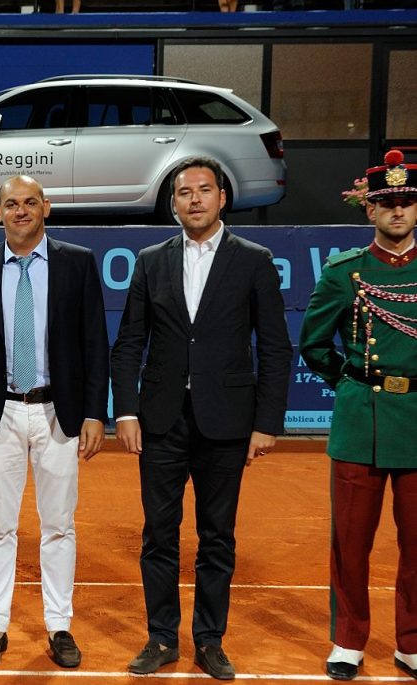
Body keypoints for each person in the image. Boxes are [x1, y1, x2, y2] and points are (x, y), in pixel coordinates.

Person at [110, 156, 293, 681]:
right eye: (184, 192)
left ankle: (210, 639)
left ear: (222, 198)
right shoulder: (150, 260)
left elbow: (275, 348)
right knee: (158, 535)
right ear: (173, 203)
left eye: (204, 190)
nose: (194, 199)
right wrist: (126, 409)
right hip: (162, 420)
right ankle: (162, 637)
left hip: (228, 422)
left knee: (218, 537)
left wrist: (266, 422)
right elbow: (129, 344)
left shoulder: (254, 259)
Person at [0, 175, 109, 669]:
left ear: (47, 208)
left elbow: (94, 343)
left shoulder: (77, 262)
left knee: (59, 525)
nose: (21, 211)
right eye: (11, 204)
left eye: (30, 203)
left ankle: (59, 625)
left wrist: (92, 412)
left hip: (56, 413)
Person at [298, 149, 417, 682]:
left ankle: (411, 643)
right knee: (350, 541)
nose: (397, 211)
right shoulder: (346, 273)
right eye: (386, 203)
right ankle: (349, 639)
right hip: (360, 420)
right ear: (369, 211)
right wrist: (353, 387)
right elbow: (314, 344)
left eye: (406, 202)